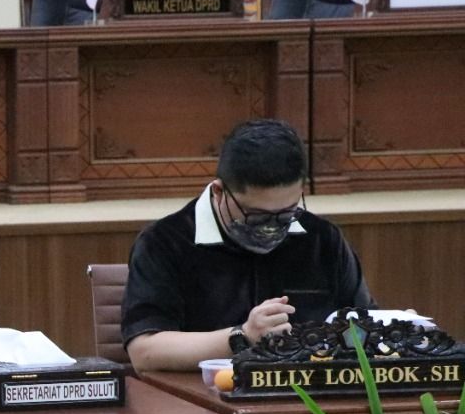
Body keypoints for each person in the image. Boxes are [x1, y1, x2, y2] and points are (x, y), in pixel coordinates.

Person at [121, 118, 374, 372]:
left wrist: (397, 328)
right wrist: (241, 336)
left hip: (309, 395)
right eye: (257, 216)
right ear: (219, 192)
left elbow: (364, 323)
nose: (272, 227)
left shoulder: (322, 239)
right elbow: (145, 351)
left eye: (286, 214)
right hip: (201, 398)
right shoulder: (166, 242)